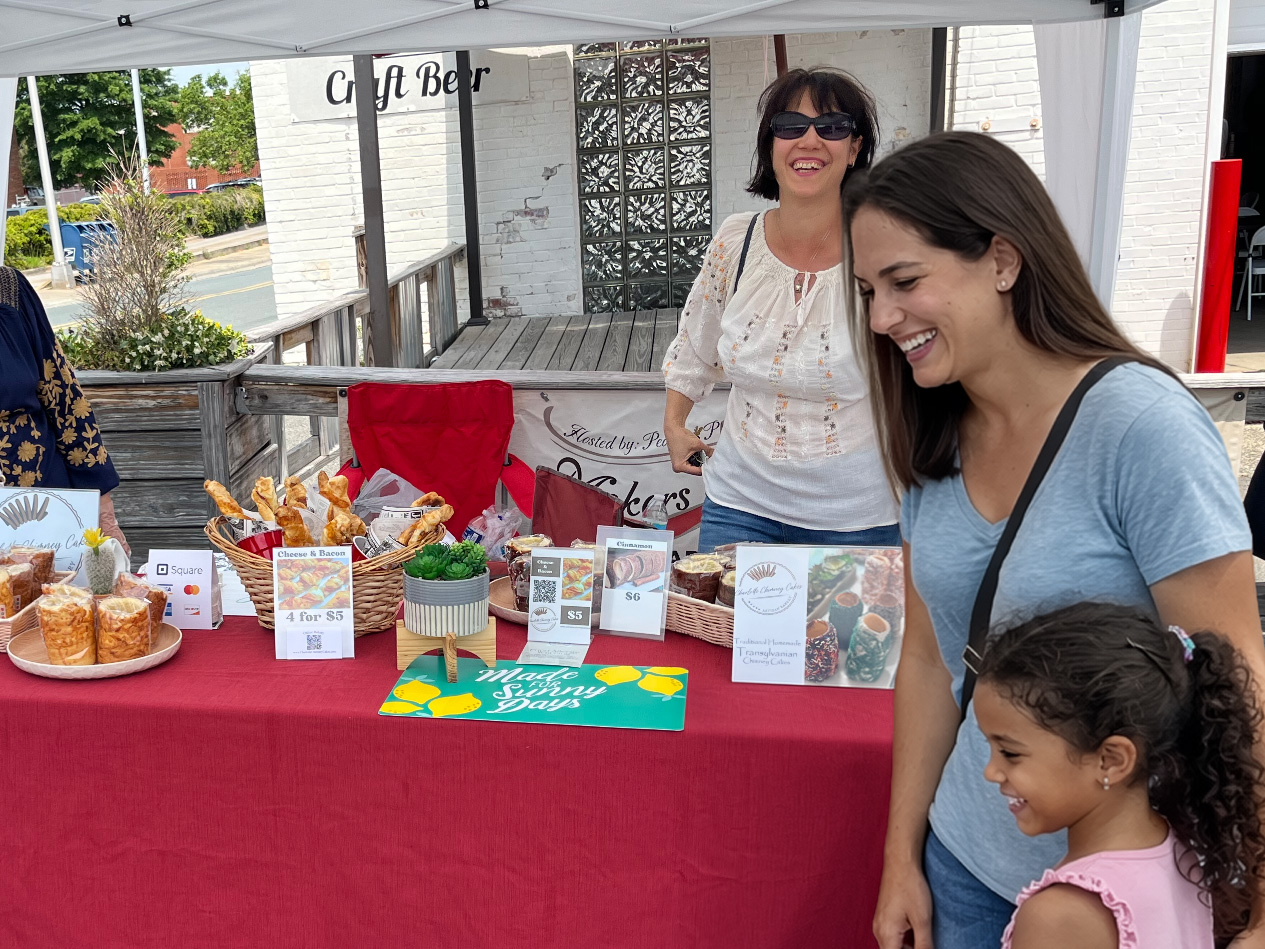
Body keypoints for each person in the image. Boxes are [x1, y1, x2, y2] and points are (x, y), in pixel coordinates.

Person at [844, 132, 1265, 949]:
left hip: (1115, 897)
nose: (880, 317)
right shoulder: (930, 436)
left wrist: (1259, 906)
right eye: (866, 290)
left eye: (903, 281)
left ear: (1002, 259)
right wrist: (902, 853)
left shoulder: (1140, 426)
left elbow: (1235, 675)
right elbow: (929, 660)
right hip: (965, 865)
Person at [661, 68, 898, 551]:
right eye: (791, 125)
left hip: (857, 519)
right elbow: (695, 346)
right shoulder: (736, 240)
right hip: (740, 509)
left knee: (847, 632)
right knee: (729, 630)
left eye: (832, 126)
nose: (809, 140)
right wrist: (674, 422)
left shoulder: (886, 248)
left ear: (855, 149)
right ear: (771, 144)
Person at [975, 602, 1265, 948]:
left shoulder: (1060, 916)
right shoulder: (1178, 847)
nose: (991, 772)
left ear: (1111, 760)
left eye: (1010, 753)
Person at [0, 266, 128, 552]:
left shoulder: (7, 288)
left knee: (62, 594)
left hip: (40, 507)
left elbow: (66, 399)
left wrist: (103, 509)